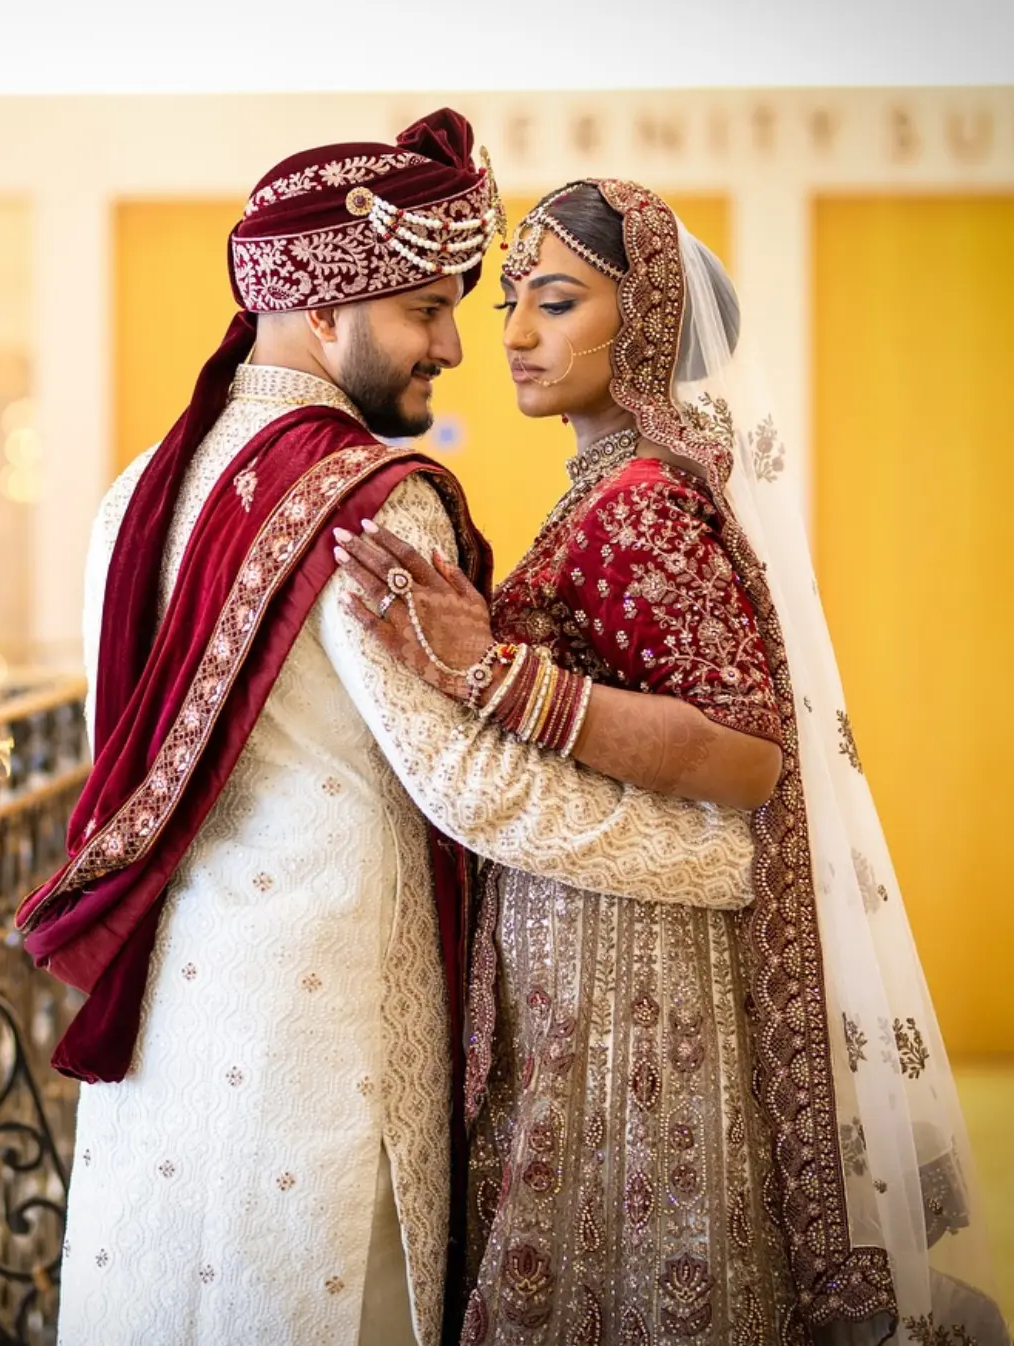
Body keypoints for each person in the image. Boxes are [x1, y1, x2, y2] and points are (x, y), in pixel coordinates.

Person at [15, 125, 761, 1346]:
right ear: (323, 311)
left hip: (166, 1020)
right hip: (322, 1041)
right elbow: (474, 786)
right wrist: (715, 857)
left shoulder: (137, 487)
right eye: (426, 309)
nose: (459, 347)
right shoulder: (371, 494)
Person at [338, 181, 1011, 1345]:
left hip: (633, 983)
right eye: (511, 303)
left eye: (555, 302)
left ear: (645, 321)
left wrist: (496, 675)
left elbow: (745, 752)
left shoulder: (640, 503)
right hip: (603, 955)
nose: (514, 334)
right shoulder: (613, 487)